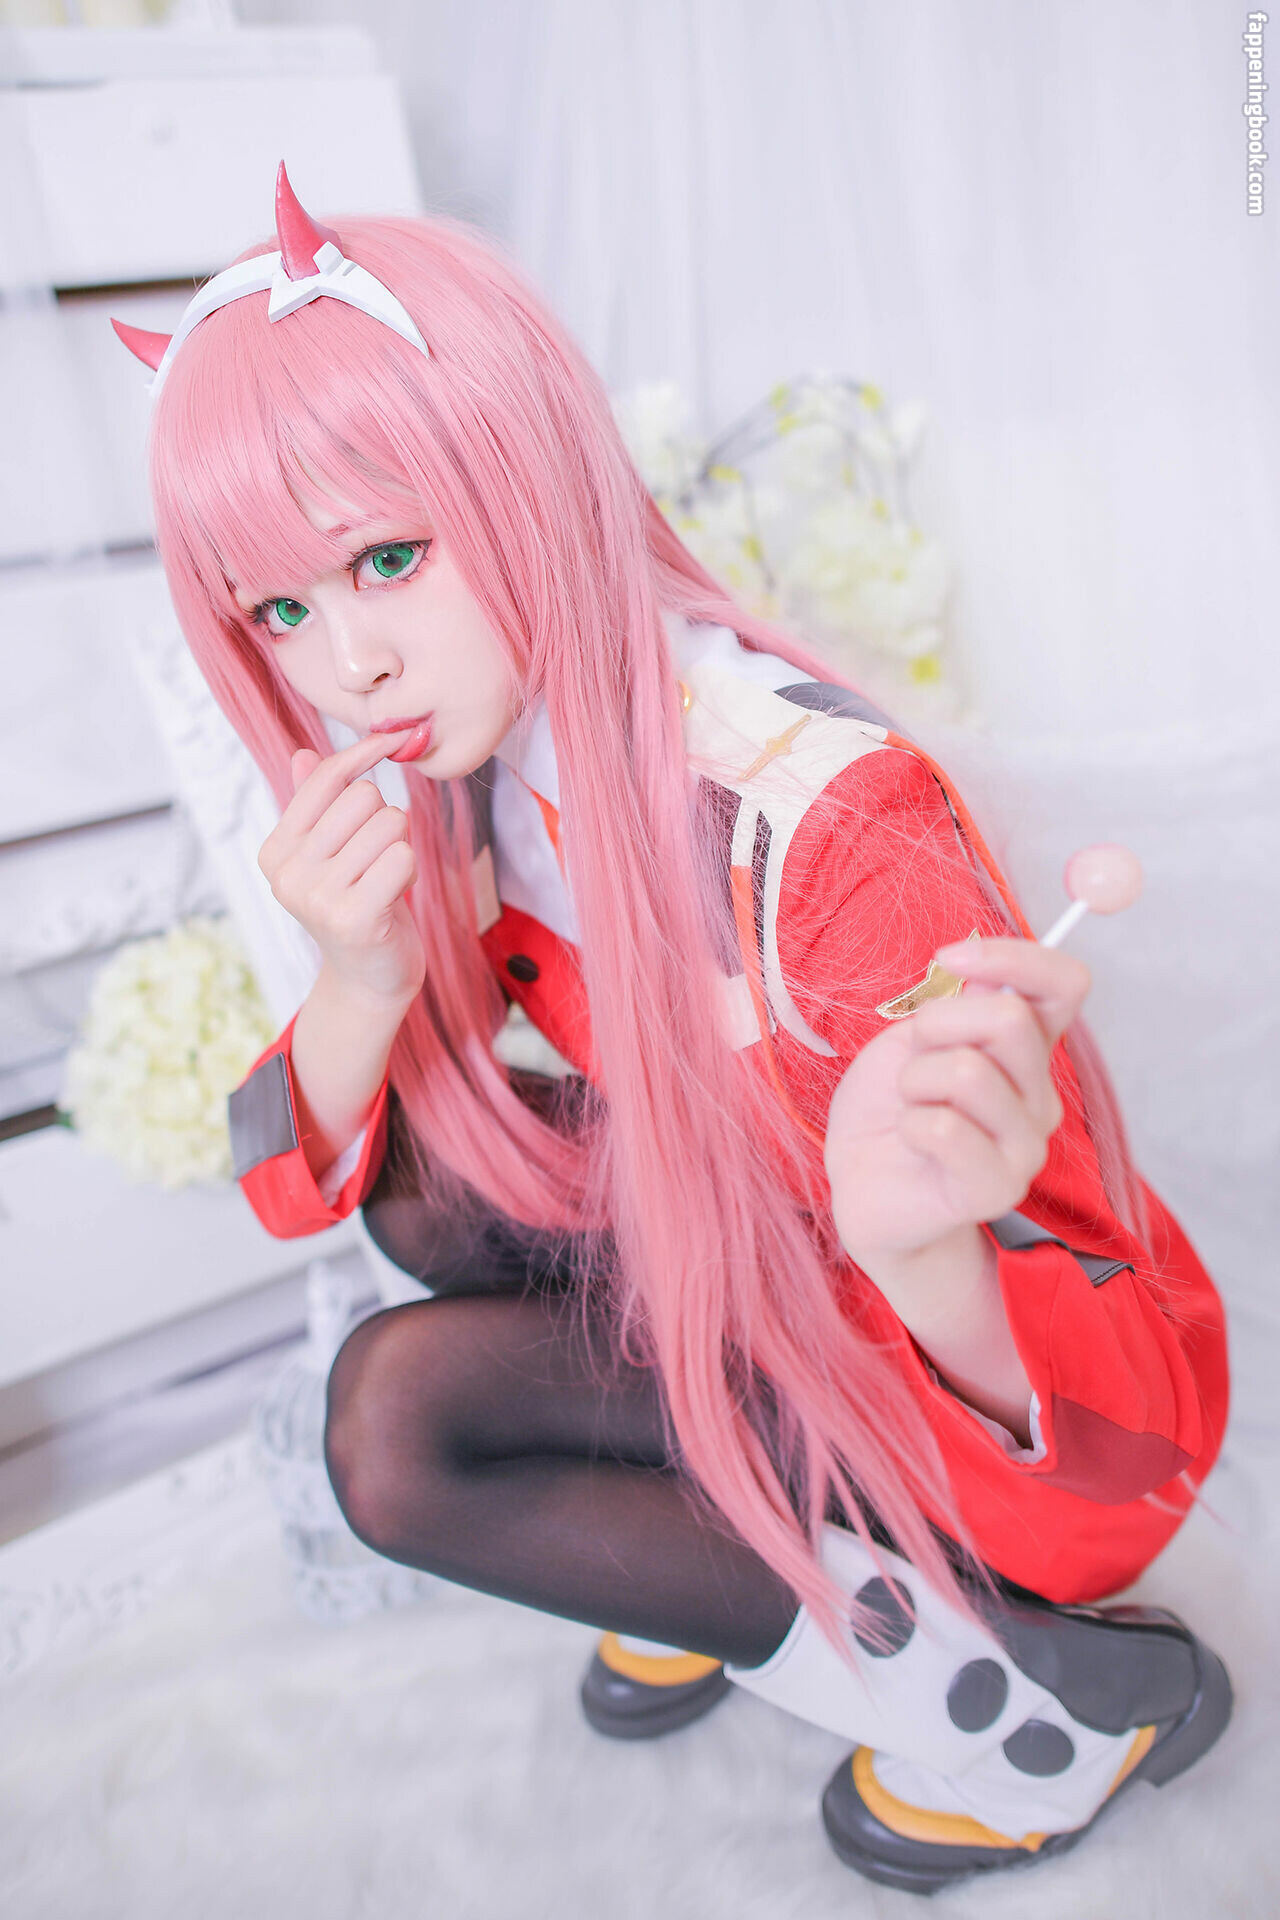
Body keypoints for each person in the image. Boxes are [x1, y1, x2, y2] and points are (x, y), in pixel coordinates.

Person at [117, 165, 1232, 1895]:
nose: (346, 667)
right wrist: (359, 981)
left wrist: (920, 1248)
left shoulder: (826, 826)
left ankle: (1037, 1710)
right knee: (423, 1172)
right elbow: (304, 1188)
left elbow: (1110, 1402)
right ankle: (714, 1548)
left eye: (389, 559)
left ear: (530, 474)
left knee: (397, 1430)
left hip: (979, 1398)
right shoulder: (475, 772)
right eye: (283, 610)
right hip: (771, 1265)